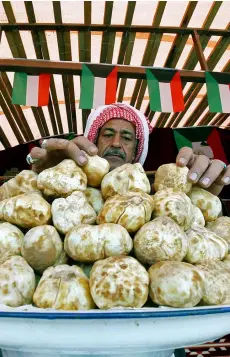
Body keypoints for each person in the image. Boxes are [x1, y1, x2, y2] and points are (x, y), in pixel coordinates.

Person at [27, 102, 230, 196]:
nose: (116, 143)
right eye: (107, 135)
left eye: (126, 138)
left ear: (136, 152)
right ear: (93, 144)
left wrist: (198, 194)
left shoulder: (155, 194)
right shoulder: (68, 185)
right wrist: (40, 174)